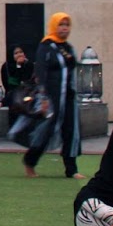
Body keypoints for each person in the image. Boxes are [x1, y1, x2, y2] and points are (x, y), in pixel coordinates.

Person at [24, 12, 83, 178]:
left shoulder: (68, 48)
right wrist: (43, 97)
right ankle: (30, 161)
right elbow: (40, 72)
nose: (64, 28)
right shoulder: (46, 46)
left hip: (68, 97)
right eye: (61, 24)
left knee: (71, 130)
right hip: (52, 97)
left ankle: (71, 169)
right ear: (53, 26)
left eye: (67, 25)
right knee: (47, 130)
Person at [2, 44, 35, 127]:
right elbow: (9, 84)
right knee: (15, 99)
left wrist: (22, 66)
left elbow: (27, 81)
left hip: (27, 92)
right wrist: (18, 66)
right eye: (16, 53)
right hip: (12, 92)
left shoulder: (29, 65)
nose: (19, 54)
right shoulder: (6, 67)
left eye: (21, 52)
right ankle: (14, 128)